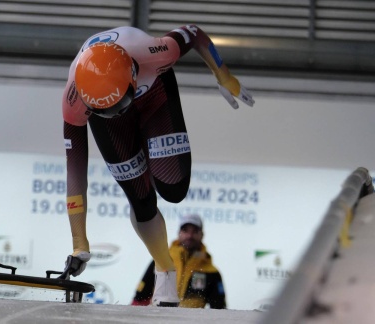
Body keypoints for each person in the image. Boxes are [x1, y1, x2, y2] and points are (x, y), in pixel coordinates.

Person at [58, 25, 254, 306]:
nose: (117, 112)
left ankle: (144, 150)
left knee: (173, 188)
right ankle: (165, 270)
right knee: (142, 201)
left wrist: (224, 75)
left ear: (133, 75)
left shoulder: (157, 52)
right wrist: (80, 243)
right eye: (104, 109)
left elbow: (195, 34)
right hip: (115, 120)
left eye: (120, 103)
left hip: (154, 96)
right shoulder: (73, 101)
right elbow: (75, 174)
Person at [132, 214, 226, 308]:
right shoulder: (161, 260)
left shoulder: (211, 272)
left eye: (195, 231)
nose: (189, 235)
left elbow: (219, 310)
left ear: (202, 235)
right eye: (185, 230)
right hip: (159, 320)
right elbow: (139, 299)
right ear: (179, 233)